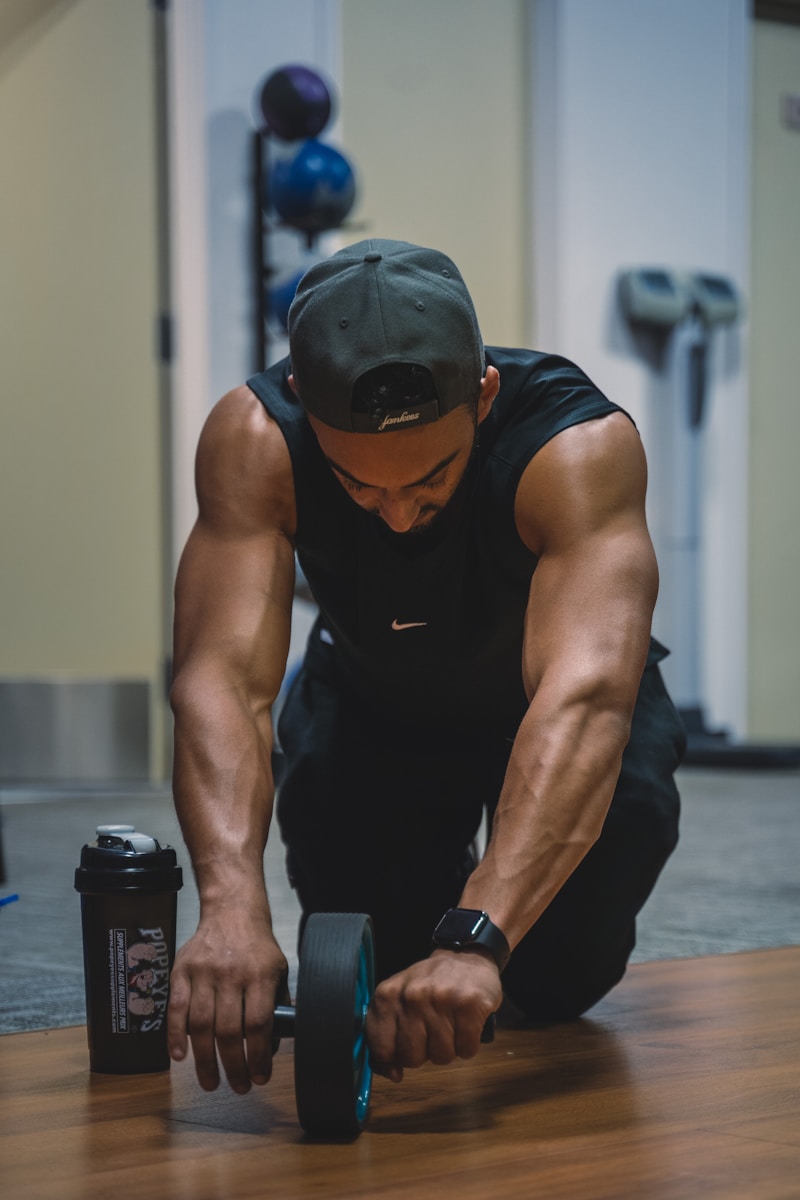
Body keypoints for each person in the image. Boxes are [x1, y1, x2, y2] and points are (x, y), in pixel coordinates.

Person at [166, 238, 685, 1094]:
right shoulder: (257, 438)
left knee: (547, 986)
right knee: (394, 974)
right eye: (362, 488)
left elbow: (584, 701)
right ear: (302, 400)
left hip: (546, 708)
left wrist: (480, 936)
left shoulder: (574, 445)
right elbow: (220, 680)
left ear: (483, 393)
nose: (399, 517)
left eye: (431, 480)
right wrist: (227, 907)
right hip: (375, 705)